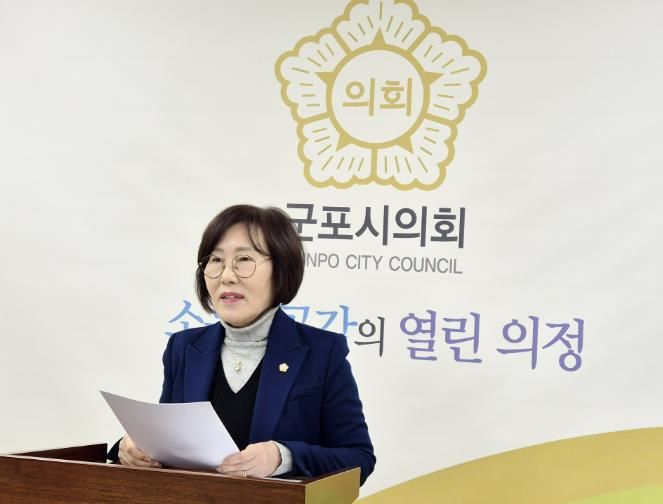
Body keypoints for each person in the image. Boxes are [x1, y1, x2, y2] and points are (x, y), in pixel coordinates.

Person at [108, 205, 375, 485]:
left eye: (244, 259)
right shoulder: (184, 348)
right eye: (216, 260)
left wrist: (283, 457)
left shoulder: (323, 352)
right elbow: (166, 441)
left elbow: (359, 458)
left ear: (281, 268)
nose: (227, 276)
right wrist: (134, 449)